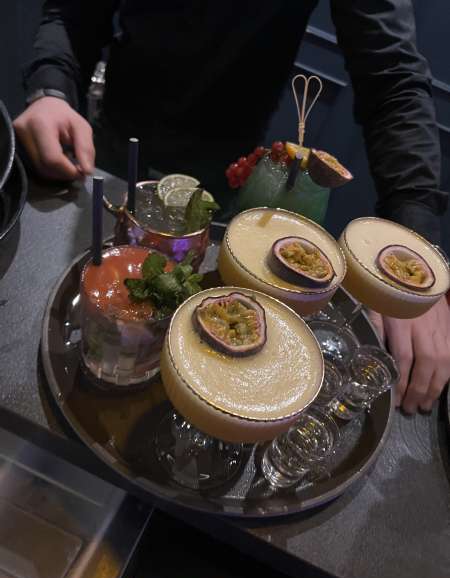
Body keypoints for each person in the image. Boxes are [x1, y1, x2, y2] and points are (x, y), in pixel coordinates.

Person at [14, 1, 450, 413]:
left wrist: (414, 241)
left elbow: (392, 76)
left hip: (223, 177)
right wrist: (51, 90)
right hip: (113, 149)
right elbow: (74, 13)